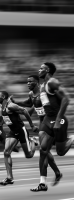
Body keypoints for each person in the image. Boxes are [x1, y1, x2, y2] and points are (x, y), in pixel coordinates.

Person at [30, 62, 73, 192]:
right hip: (47, 120)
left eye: (41, 68)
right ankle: (42, 183)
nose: (39, 70)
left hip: (58, 120)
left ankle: (71, 138)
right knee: (43, 150)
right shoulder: (42, 86)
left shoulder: (52, 82)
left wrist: (59, 119)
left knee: (60, 152)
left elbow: (66, 99)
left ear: (47, 70)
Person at [12, 75, 62, 187]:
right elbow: (29, 103)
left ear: (37, 82)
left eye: (30, 82)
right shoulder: (31, 94)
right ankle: (56, 173)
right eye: (27, 82)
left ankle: (43, 182)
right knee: (45, 151)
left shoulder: (44, 92)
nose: (28, 83)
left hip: (50, 123)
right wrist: (16, 102)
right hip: (42, 124)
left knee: (45, 151)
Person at [0, 91, 38, 185]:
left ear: (3, 97)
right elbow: (6, 118)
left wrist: (31, 125)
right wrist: (0, 123)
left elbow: (25, 111)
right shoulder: (2, 108)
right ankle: (9, 178)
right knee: (6, 152)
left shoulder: (10, 106)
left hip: (21, 131)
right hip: (13, 132)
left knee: (29, 155)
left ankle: (33, 141)